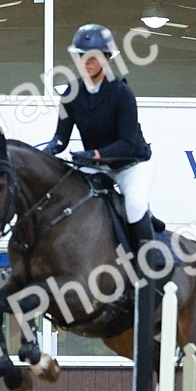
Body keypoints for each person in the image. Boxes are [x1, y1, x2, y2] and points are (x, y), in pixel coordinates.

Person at [43, 23, 156, 251]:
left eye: (93, 57)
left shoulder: (122, 93)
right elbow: (60, 138)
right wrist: (44, 154)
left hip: (130, 165)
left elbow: (127, 143)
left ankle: (147, 261)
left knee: (135, 205)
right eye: (81, 56)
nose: (87, 62)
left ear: (107, 58)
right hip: (97, 166)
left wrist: (94, 154)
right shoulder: (70, 93)